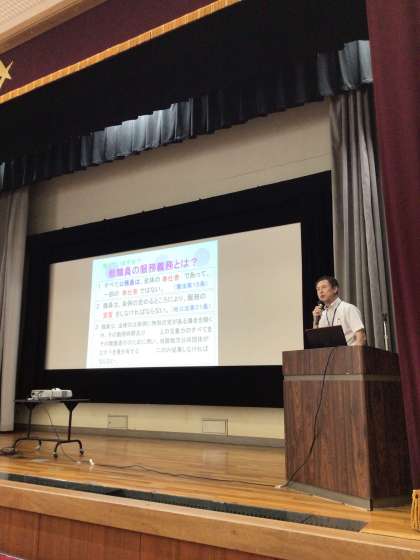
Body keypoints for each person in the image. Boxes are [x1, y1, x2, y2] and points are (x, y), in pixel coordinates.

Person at [312, 276, 366, 346]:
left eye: (324, 287)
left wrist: (352, 352)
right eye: (318, 289)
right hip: (330, 352)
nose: (320, 291)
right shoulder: (323, 314)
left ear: (335, 289)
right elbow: (318, 342)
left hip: (349, 351)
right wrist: (316, 322)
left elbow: (361, 338)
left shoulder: (348, 308)